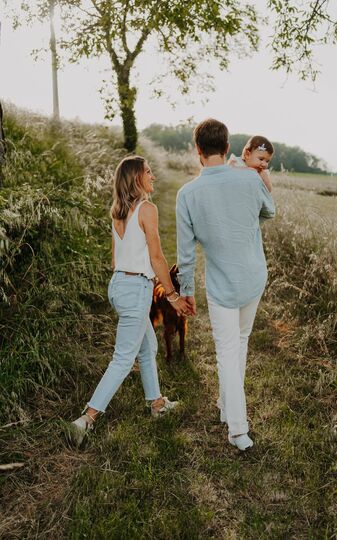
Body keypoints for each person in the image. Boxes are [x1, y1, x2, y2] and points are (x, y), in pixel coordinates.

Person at [71, 155, 190, 446]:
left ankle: (157, 404)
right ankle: (86, 419)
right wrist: (172, 296)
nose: (153, 176)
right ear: (137, 178)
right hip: (136, 289)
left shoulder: (117, 212)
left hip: (118, 285)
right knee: (123, 358)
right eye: (148, 172)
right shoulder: (146, 209)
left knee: (147, 347)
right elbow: (157, 257)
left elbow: (115, 258)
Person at [176, 119, 275, 451]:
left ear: (198, 151)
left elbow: (185, 253)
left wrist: (185, 291)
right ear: (229, 148)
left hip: (223, 284)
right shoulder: (249, 178)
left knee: (228, 351)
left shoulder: (187, 194)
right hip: (253, 276)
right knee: (240, 343)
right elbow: (270, 212)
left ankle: (237, 429)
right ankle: (226, 405)